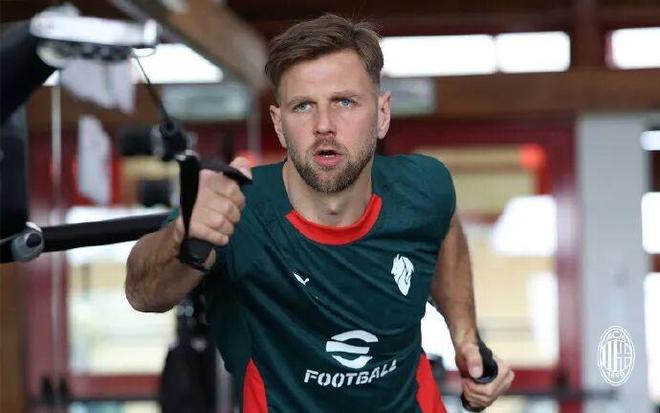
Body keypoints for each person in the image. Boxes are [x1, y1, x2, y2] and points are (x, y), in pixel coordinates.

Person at [126, 14, 514, 412]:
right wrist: (184, 239)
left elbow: (444, 229)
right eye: (303, 106)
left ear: (382, 114)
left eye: (345, 102)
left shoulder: (424, 186)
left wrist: (465, 336)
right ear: (279, 124)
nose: (324, 125)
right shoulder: (236, 209)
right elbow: (143, 293)